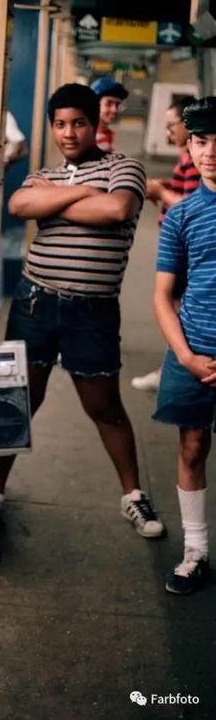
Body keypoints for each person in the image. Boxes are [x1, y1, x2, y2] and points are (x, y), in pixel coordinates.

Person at [0, 83, 165, 543]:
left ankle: (133, 494)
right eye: (59, 124)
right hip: (35, 303)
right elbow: (20, 204)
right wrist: (82, 193)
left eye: (78, 123)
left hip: (92, 311)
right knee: (20, 401)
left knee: (104, 407)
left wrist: (58, 196)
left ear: (93, 124)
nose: (68, 133)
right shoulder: (42, 173)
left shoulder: (125, 168)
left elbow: (116, 209)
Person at [153, 97, 216, 595]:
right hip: (194, 351)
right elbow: (162, 295)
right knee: (192, 446)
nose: (210, 152)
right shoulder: (182, 217)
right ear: (190, 147)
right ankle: (196, 551)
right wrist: (186, 356)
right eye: (201, 141)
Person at [132, 95, 200, 392]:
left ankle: (174, 369)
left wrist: (161, 192)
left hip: (186, 249)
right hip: (179, 245)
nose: (168, 132)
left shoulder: (194, 160)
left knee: (178, 311)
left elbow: (193, 207)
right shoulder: (187, 159)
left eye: (172, 125)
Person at [90, 76, 128, 153]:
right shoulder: (86, 139)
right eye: (109, 103)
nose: (114, 110)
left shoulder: (106, 135)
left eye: (117, 105)